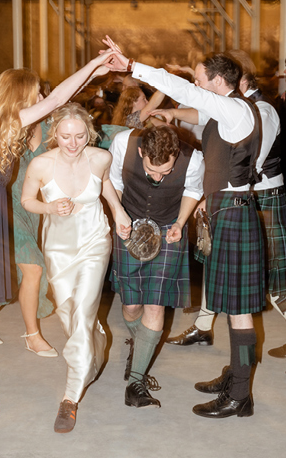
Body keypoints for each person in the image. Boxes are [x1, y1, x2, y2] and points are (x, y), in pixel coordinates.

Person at [0, 50, 117, 422]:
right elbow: (58, 100)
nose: (41, 98)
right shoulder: (7, 121)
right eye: (35, 92)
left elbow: (54, 102)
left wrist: (96, 72)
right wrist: (95, 67)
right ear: (20, 95)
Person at [105, 37, 264, 419]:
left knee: (240, 312)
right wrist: (173, 116)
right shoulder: (232, 113)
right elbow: (195, 114)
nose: (196, 85)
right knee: (231, 308)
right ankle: (236, 377)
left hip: (234, 210)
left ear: (216, 81)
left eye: (199, 80)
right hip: (227, 210)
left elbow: (184, 93)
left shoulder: (234, 109)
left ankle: (240, 392)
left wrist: (132, 66)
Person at [162, 56, 286, 359]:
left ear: (238, 82)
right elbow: (201, 115)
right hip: (235, 197)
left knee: (273, 280)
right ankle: (203, 325)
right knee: (217, 263)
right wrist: (169, 110)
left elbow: (249, 161)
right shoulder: (230, 108)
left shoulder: (262, 110)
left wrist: (222, 188)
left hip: (260, 196)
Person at [21, 102, 131, 432]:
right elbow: (28, 201)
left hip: (95, 241)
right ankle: (94, 346)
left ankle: (70, 399)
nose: (72, 143)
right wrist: (49, 206)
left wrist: (120, 213)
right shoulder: (41, 164)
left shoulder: (101, 157)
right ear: (54, 133)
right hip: (58, 249)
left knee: (82, 315)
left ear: (90, 133)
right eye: (65, 136)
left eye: (80, 136)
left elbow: (106, 184)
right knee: (71, 316)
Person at [108, 125, 204, 408]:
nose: (158, 178)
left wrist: (180, 222)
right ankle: (139, 346)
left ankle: (135, 382)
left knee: (154, 304)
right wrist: (118, 213)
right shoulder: (124, 142)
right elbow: (111, 181)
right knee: (132, 305)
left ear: (175, 154)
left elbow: (193, 188)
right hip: (130, 227)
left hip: (167, 230)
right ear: (141, 152)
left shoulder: (193, 158)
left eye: (166, 171)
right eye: (152, 170)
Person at [0, 119, 57, 356]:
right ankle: (32, 336)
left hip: (35, 212)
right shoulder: (9, 127)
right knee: (33, 268)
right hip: (7, 209)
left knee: (15, 274)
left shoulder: (52, 131)